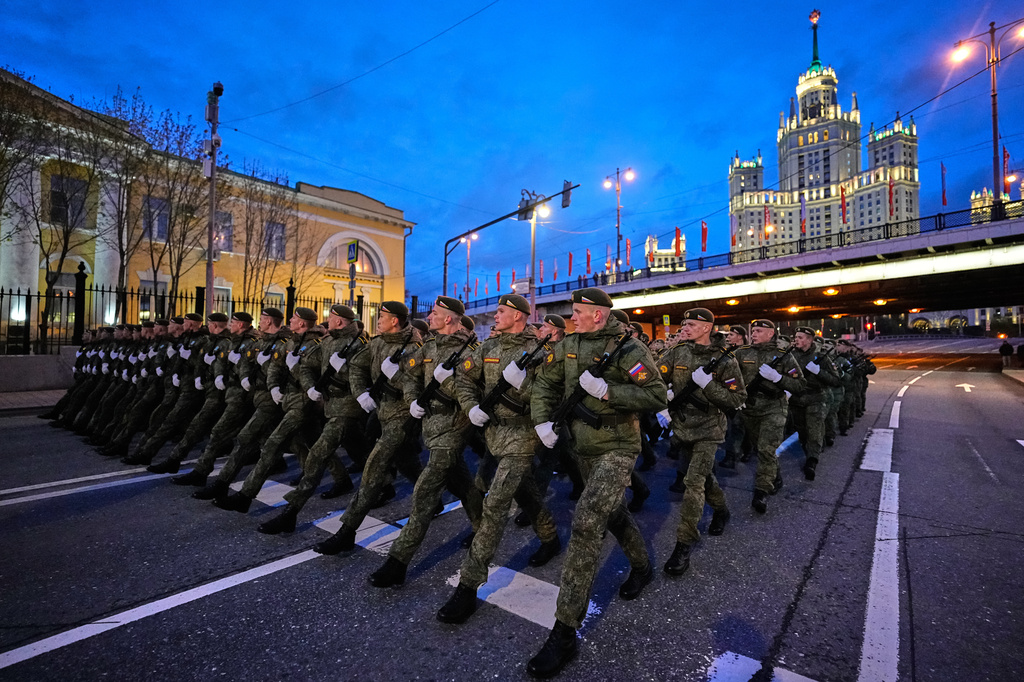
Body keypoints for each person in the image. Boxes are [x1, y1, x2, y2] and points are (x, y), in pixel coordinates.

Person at [526, 287, 667, 678]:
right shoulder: (570, 344)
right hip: (580, 446)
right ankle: (641, 565)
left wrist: (609, 391)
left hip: (618, 446)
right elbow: (545, 383)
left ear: (598, 316)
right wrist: (541, 420)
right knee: (613, 513)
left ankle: (565, 631)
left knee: (587, 520)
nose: (571, 317)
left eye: (577, 312)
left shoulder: (630, 350)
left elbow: (656, 395)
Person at [435, 294, 561, 622]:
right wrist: (471, 405)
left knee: (495, 506)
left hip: (523, 435)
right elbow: (463, 378)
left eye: (502, 311)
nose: (496, 315)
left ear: (520, 316)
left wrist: (528, 390)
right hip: (494, 434)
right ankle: (549, 536)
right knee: (526, 491)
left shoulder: (543, 351)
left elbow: (555, 394)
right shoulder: (488, 348)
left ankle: (467, 587)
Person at [368, 296, 484, 586]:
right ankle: (484, 526)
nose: (429, 316)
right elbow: (410, 375)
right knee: (462, 482)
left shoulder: (471, 351)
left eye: (434, 313)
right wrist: (412, 401)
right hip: (430, 425)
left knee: (425, 492)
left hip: (455, 427)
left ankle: (398, 561)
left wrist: (449, 386)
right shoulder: (430, 346)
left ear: (449, 318)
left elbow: (473, 393)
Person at [313, 301, 424, 555]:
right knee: (407, 462)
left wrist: (395, 376)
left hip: (403, 415)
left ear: (395, 320)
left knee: (373, 468)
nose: (378, 319)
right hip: (381, 413)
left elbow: (415, 388)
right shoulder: (377, 342)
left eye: (382, 316)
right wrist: (361, 392)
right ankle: (448, 499)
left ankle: (346, 532)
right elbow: (356, 366)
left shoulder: (415, 347)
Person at [258, 304, 367, 533]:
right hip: (329, 406)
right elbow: (307, 366)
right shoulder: (327, 342)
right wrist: (309, 388)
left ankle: (290, 513)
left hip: (347, 408)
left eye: (331, 316)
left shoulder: (360, 344)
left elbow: (368, 378)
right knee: (366, 452)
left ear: (338, 321)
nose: (327, 319)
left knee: (317, 457)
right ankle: (383, 485)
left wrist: (345, 370)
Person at [655, 308, 746, 575]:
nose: (685, 327)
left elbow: (737, 400)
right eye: (684, 323)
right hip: (683, 427)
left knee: (693, 482)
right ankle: (722, 510)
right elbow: (656, 379)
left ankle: (683, 544)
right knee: (704, 478)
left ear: (707, 327)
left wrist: (708, 385)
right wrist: (663, 402)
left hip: (709, 430)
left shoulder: (725, 360)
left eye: (691, 324)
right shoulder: (678, 352)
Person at [731, 320, 804, 513]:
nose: (754, 333)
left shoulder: (783, 356)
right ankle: (775, 475)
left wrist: (778, 378)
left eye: (759, 331)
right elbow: (728, 377)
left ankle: (761, 492)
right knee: (762, 449)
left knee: (765, 448)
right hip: (750, 409)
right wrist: (736, 395)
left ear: (771, 333)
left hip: (774, 407)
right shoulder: (741, 353)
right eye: (753, 330)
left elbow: (799, 384)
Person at [789, 327, 840, 481]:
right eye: (796, 337)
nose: (796, 340)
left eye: (800, 337)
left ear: (810, 340)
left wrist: (819, 372)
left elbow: (836, 380)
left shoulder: (820, 357)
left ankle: (812, 461)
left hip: (816, 398)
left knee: (814, 430)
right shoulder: (790, 355)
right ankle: (809, 450)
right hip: (797, 399)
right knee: (802, 431)